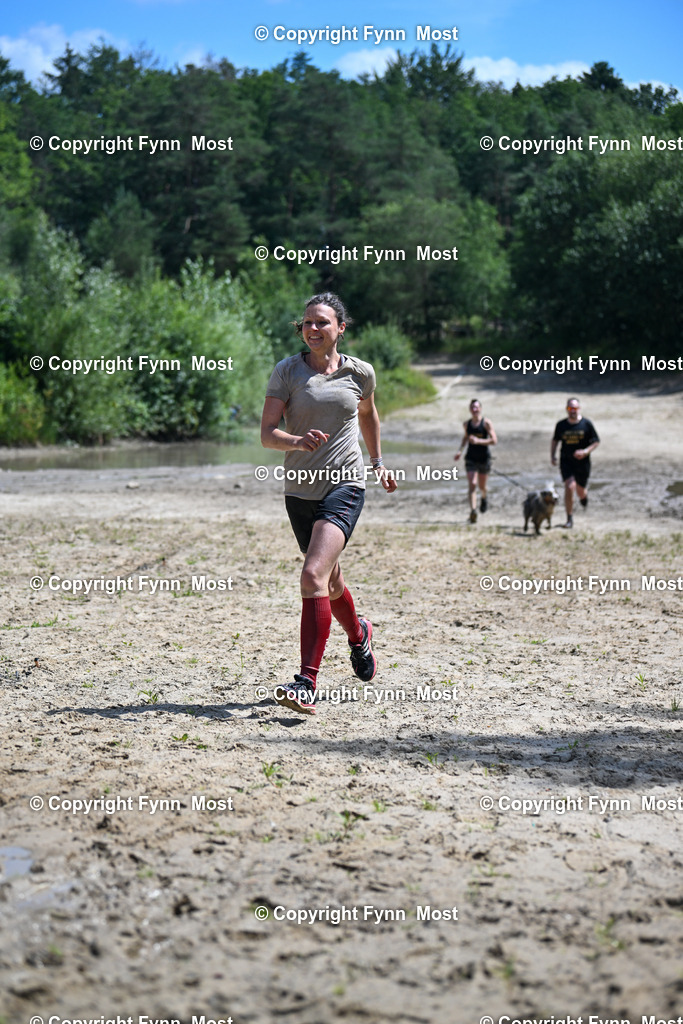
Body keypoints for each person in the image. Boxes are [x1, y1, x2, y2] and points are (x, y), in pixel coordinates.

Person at [260, 292, 397, 715]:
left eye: (322, 322)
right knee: (330, 581)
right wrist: (296, 440)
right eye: (306, 323)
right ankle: (359, 634)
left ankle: (306, 682)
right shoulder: (287, 371)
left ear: (341, 327)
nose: (313, 329)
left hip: (346, 484)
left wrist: (377, 461)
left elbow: (369, 415)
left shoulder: (361, 373)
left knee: (312, 575)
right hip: (300, 489)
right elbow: (267, 434)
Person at [551, 397, 600, 528]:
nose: (572, 411)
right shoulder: (561, 425)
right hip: (566, 461)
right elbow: (555, 440)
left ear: (579, 409)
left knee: (580, 491)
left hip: (582, 463)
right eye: (570, 408)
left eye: (575, 408)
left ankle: (584, 498)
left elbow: (596, 441)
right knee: (569, 486)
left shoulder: (586, 424)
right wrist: (552, 455)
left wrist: (585, 451)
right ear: (567, 409)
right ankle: (569, 518)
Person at [454, 399, 497, 522]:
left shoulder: (486, 423)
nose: (475, 410)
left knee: (482, 486)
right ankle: (473, 511)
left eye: (477, 407)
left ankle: (484, 497)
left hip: (484, 459)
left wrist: (479, 441)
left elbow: (494, 440)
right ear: (470, 409)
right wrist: (459, 451)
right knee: (472, 484)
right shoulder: (466, 424)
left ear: (481, 409)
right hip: (471, 458)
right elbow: (465, 438)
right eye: (472, 407)